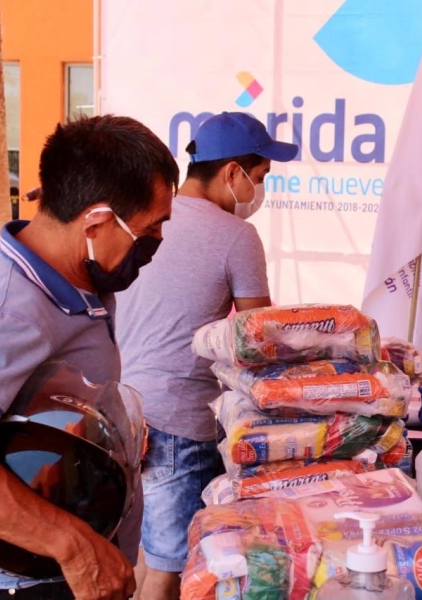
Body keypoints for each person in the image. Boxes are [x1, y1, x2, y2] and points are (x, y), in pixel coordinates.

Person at [0, 115, 178, 600]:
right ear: (96, 221)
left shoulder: (73, 272)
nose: (158, 241)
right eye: (151, 228)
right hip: (24, 582)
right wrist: (72, 547)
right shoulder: (13, 308)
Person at [115, 111, 299, 600]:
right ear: (233, 172)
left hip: (125, 412)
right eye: (260, 176)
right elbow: (257, 340)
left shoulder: (149, 218)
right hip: (180, 422)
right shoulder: (236, 235)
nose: (261, 190)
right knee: (174, 571)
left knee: (144, 558)